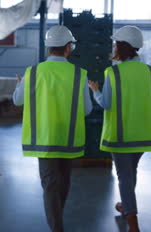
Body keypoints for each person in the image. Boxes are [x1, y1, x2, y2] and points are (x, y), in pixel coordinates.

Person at [13, 25, 93, 232]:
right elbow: (87, 110)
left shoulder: (32, 73)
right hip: (69, 137)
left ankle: (56, 227)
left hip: (44, 138)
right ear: (68, 47)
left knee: (49, 183)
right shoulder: (79, 74)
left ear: (48, 47)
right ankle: (57, 218)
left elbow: (17, 101)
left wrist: (20, 84)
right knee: (64, 180)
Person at [88, 26, 151, 232]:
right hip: (145, 135)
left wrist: (95, 91)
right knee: (131, 172)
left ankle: (132, 221)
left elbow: (106, 104)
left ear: (121, 47)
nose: (113, 47)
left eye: (115, 44)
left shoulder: (113, 73)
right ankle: (126, 206)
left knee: (124, 175)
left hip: (120, 136)